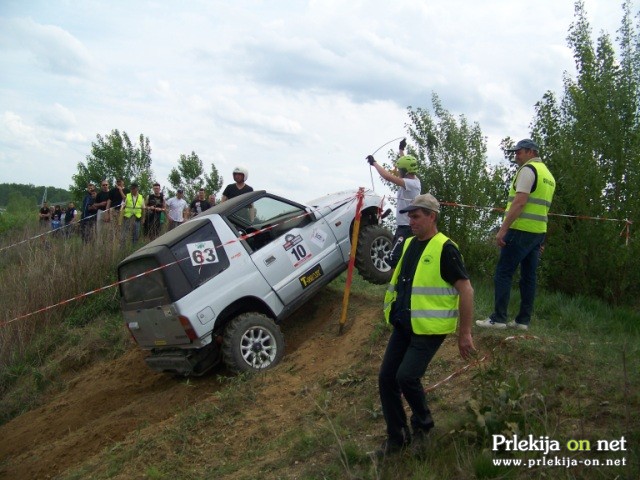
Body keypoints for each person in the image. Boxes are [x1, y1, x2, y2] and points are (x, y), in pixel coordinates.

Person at [377, 193, 475, 458]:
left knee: (406, 377)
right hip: (404, 324)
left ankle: (424, 427)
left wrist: (465, 332)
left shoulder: (445, 248)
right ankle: (397, 438)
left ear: (432, 216)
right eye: (409, 216)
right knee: (386, 379)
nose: (411, 221)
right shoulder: (409, 244)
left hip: (430, 327)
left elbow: (466, 290)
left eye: (416, 216)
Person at [476, 139, 556, 331]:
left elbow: (520, 202)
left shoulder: (528, 170)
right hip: (538, 232)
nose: (515, 156)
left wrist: (503, 229)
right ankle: (522, 321)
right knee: (529, 277)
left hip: (520, 229)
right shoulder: (548, 175)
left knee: (503, 272)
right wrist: (541, 239)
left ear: (531, 152)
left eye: (519, 152)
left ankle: (499, 318)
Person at [366, 138, 421, 267]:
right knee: (399, 258)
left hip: (406, 228)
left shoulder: (411, 184)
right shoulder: (414, 179)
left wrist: (374, 163)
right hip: (402, 226)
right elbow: (406, 164)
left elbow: (387, 177)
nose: (399, 172)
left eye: (400, 170)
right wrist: (401, 150)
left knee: (393, 258)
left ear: (405, 172)